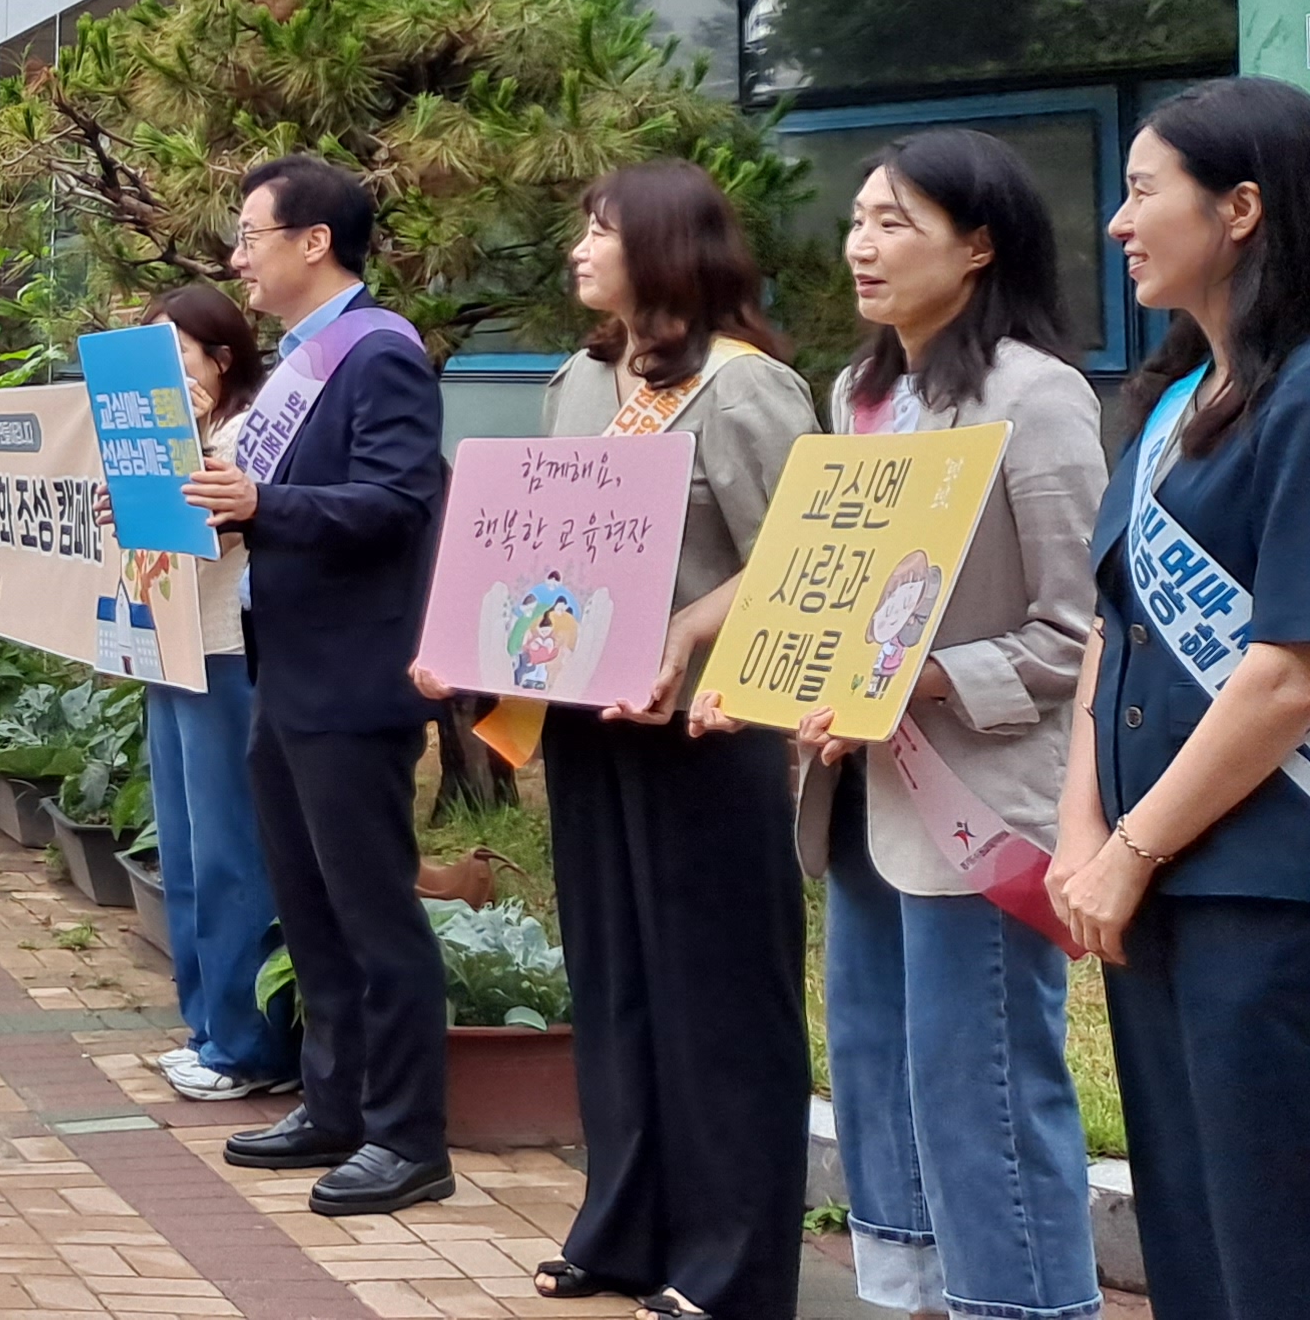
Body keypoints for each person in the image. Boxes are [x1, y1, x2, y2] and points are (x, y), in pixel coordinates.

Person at [436, 162, 816, 1315]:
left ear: (661, 246)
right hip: (591, 729)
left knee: (718, 1001)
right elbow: (539, 552)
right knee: (616, 986)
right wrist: (468, 639)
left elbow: (794, 562)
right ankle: (623, 1228)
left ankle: (732, 1263)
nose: (576, 251)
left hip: (706, 733)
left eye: (597, 231)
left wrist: (691, 647)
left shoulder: (751, 391)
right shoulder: (580, 379)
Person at [757, 130, 1102, 1320]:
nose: (861, 243)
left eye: (896, 221)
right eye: (857, 217)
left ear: (980, 244)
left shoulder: (1034, 396)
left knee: (985, 1091)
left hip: (973, 810)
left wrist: (922, 681)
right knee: (879, 1076)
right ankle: (916, 1294)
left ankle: (1027, 1305)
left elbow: (1074, 635)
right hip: (858, 799)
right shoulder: (856, 396)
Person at [1053, 78, 1310, 1318]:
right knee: (1190, 1218)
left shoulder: (1305, 396)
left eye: (1144, 188)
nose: (1117, 219)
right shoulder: (1162, 404)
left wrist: (1133, 844)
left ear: (1243, 208)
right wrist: (1081, 835)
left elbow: (1285, 675)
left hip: (1263, 880)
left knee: (1272, 1219)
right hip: (1151, 879)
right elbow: (1114, 629)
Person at [181, 153, 452, 1218]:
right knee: (311, 906)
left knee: (374, 912)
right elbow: (259, 498)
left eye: (250, 235)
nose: (235, 258)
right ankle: (334, 1105)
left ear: (312, 242)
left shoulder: (378, 355)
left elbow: (394, 502)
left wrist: (260, 507)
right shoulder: (300, 363)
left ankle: (409, 1136)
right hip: (287, 667)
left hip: (352, 678)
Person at [128, 284, 298, 1106]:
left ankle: (247, 1043)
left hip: (226, 654)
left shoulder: (243, 431)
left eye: (178, 352)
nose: (164, 368)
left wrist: (187, 436)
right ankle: (207, 1027)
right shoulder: (176, 433)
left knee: (231, 852)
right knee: (189, 852)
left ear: (221, 359)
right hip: (173, 645)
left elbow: (209, 521)